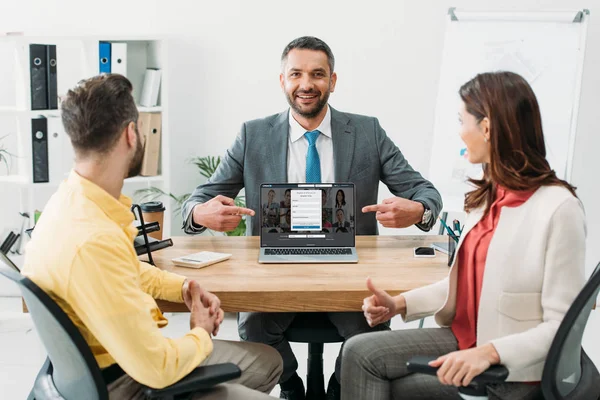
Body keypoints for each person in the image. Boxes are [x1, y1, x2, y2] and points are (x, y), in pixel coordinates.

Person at [181, 36, 443, 400]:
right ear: (283, 81)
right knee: (255, 325)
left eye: (318, 74)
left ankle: (339, 386)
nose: (306, 84)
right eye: (296, 74)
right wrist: (200, 212)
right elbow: (197, 200)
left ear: (332, 81)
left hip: (351, 271)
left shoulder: (367, 132)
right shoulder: (252, 135)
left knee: (372, 331)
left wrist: (419, 210)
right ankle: (291, 384)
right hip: (274, 269)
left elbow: (426, 193)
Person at [21, 74, 283, 400]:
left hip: (98, 371)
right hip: (129, 384)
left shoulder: (68, 205)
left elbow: (120, 268)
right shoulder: (94, 240)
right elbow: (157, 368)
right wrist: (200, 330)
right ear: (131, 133)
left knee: (270, 360)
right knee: (266, 365)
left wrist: (183, 286)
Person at [340, 71, 586, 400]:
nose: (459, 133)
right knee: (359, 353)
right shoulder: (489, 198)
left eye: (461, 121)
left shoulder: (559, 209)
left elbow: (562, 328)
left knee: (390, 382)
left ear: (486, 128)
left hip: (512, 371)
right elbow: (463, 286)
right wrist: (399, 305)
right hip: (467, 339)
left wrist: (489, 353)